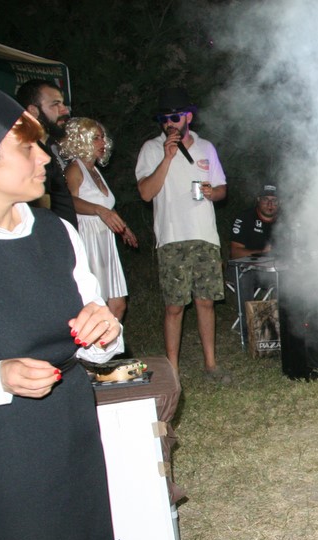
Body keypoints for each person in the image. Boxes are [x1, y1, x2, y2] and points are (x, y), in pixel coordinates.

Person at [0, 87, 124, 540]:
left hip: (69, 429)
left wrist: (104, 327)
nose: (45, 159)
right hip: (4, 456)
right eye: (28, 148)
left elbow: (101, 343)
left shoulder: (55, 232)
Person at [135, 86, 229, 381]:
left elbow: (222, 189)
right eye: (164, 119)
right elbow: (146, 193)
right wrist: (167, 158)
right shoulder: (152, 149)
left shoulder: (206, 148)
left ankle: (211, 364)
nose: (169, 124)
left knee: (206, 302)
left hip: (205, 235)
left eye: (174, 117)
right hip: (172, 236)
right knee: (174, 306)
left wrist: (213, 192)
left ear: (188, 117)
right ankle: (173, 370)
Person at [60, 117, 138, 322]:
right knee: (96, 304)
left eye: (103, 137)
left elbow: (106, 206)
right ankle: (93, 342)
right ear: (81, 140)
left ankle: (110, 343)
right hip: (88, 240)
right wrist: (99, 211)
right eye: (95, 138)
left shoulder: (94, 171)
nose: (102, 142)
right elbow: (69, 202)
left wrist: (122, 227)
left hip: (105, 241)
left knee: (118, 305)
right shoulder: (74, 169)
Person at [15, 78, 76, 226]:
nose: (65, 110)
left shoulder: (48, 148)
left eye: (63, 103)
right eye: (55, 104)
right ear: (33, 111)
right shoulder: (30, 155)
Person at [230, 182, 278, 259]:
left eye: (274, 200)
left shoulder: (285, 221)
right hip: (248, 265)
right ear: (258, 199)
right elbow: (235, 252)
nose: (270, 204)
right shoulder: (245, 218)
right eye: (265, 199)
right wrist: (261, 253)